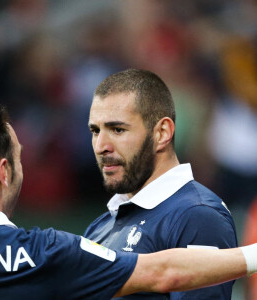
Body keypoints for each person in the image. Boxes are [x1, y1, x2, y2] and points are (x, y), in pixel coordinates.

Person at [0, 97, 255, 300]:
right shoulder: (46, 252)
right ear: (4, 173)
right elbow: (165, 272)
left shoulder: (197, 213)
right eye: (19, 159)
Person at [85, 68, 238, 299]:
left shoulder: (197, 216)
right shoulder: (100, 227)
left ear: (162, 133)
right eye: (95, 131)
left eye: (117, 129)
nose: (101, 146)